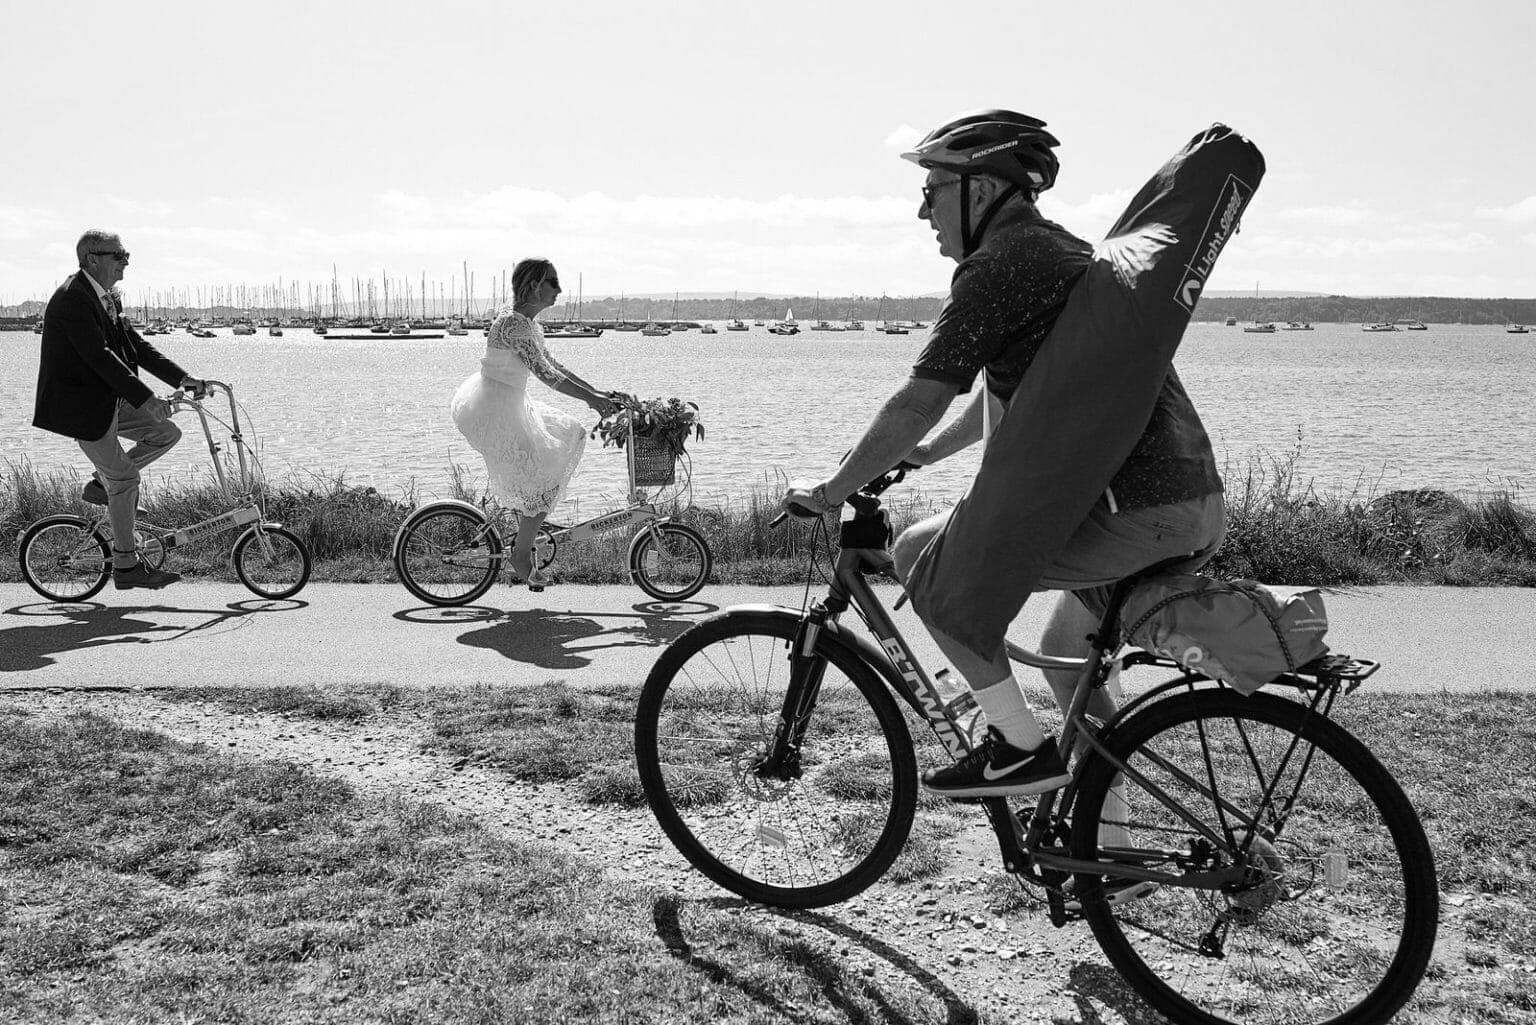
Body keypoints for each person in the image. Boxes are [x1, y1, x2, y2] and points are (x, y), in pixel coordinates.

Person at [782, 111, 1226, 807]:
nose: (922, 207)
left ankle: (1018, 747)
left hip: (1135, 513)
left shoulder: (998, 265)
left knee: (921, 558)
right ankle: (1112, 855)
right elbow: (1011, 393)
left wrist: (836, 485)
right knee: (1067, 660)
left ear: (981, 190)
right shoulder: (1058, 252)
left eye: (934, 188)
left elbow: (918, 399)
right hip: (1192, 503)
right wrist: (927, 454)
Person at [32, 230, 210, 590]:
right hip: (82, 409)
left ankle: (100, 486)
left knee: (165, 432)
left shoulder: (106, 297)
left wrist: (182, 378)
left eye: (126, 254)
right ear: (92, 259)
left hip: (108, 402)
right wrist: (147, 399)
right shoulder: (72, 300)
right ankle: (127, 566)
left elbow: (136, 347)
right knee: (126, 480)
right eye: (119, 255)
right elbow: (100, 357)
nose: (125, 261)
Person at [450, 258, 623, 589]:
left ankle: (523, 544)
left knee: (567, 438)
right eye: (553, 283)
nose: (559, 289)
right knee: (542, 477)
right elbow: (546, 375)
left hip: (510, 403)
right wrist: (591, 400)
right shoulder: (514, 325)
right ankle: (521, 552)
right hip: (495, 410)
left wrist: (598, 393)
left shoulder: (527, 324)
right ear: (533, 286)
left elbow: (553, 364)